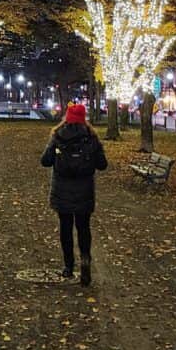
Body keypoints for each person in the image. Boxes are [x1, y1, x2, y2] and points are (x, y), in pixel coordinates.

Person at [40, 103, 108, 285]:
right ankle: (85, 258)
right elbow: (102, 165)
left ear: (67, 117)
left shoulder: (58, 136)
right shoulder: (91, 138)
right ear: (83, 118)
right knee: (83, 228)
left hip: (62, 191)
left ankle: (68, 266)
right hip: (84, 192)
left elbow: (45, 161)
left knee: (66, 228)